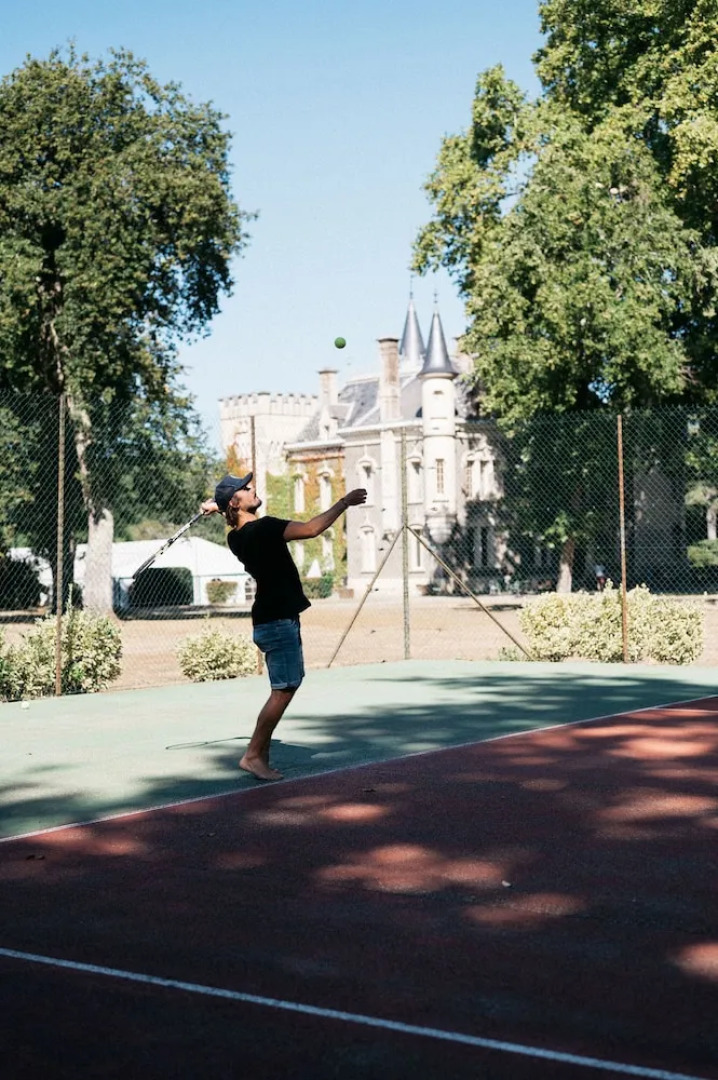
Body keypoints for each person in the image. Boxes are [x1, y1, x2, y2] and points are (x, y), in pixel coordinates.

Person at [201, 472, 367, 781]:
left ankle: (259, 756)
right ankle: (253, 755)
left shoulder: (235, 538)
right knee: (283, 690)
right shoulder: (265, 527)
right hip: (277, 620)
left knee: (287, 685)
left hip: (270, 618)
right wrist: (344, 502)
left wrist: (220, 507)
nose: (253, 489)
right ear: (236, 502)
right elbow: (312, 529)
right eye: (246, 488)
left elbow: (234, 517)